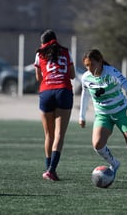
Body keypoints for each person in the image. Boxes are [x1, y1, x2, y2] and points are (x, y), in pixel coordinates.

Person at [78, 49, 127, 188]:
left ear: (100, 61)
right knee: (97, 145)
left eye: (92, 64)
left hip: (122, 112)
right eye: (87, 66)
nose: (89, 69)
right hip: (103, 115)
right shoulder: (86, 77)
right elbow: (85, 94)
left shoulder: (112, 72)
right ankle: (114, 164)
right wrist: (81, 116)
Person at [34, 29, 75, 181]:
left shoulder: (39, 53)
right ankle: (51, 170)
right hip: (63, 91)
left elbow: (39, 77)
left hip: (46, 92)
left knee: (48, 135)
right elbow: (72, 75)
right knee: (59, 134)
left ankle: (49, 169)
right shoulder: (65, 51)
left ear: (43, 42)